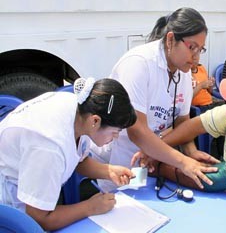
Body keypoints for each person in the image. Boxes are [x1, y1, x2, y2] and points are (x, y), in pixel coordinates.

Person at [90, 7, 218, 192]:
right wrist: (183, 162)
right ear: (171, 39)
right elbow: (137, 132)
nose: (196, 57)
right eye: (192, 47)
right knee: (121, 206)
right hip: (119, 152)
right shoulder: (139, 64)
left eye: (201, 49)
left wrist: (191, 151)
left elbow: (183, 123)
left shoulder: (183, 71)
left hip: (152, 154)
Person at [0, 77, 137, 231]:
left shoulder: (81, 109)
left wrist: (109, 171)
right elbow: (39, 218)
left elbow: (77, 158)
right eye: (115, 132)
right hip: (9, 205)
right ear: (95, 121)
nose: (115, 138)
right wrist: (90, 207)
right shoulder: (49, 146)